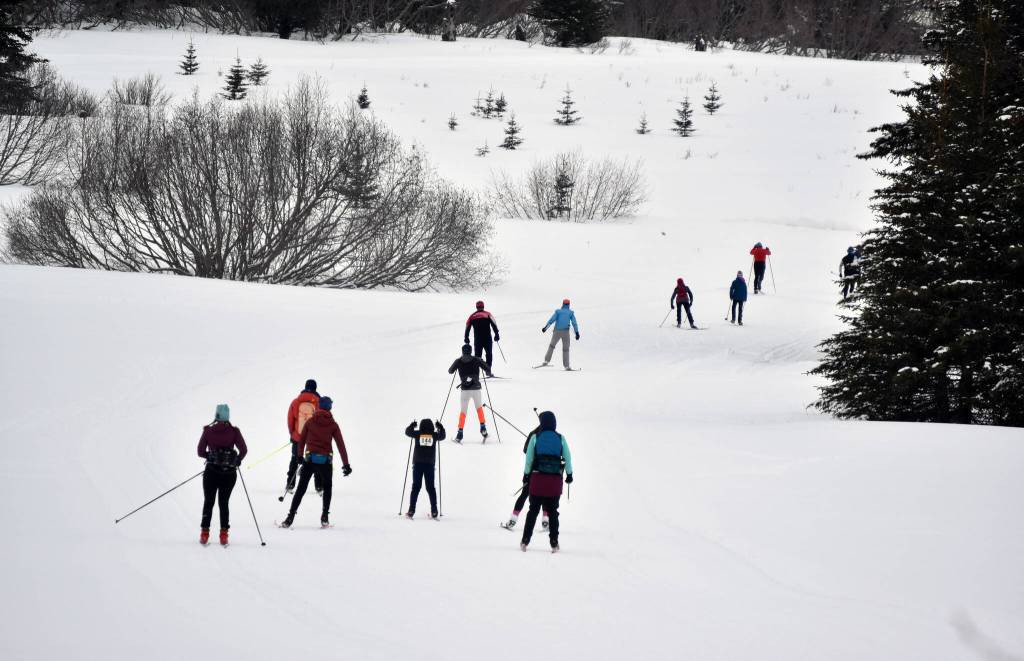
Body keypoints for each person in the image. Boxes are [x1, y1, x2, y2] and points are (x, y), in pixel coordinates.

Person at [280, 396, 351, 528]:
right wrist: (346, 464)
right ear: (329, 408)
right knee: (328, 487)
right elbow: (341, 445)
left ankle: (290, 517)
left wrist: (299, 456)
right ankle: (325, 516)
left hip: (310, 459)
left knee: (301, 489)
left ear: (318, 407)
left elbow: (301, 441)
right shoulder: (333, 425)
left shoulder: (310, 422)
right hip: (325, 462)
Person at [519, 411, 573, 553]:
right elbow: (568, 457)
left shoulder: (535, 437)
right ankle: (554, 542)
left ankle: (525, 540)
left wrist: (526, 476)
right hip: (554, 483)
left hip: (537, 481)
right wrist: (569, 474)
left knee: (533, 511)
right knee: (553, 512)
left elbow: (529, 459)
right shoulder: (561, 438)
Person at [197, 404, 248, 546]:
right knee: (223, 503)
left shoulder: (208, 431)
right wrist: (236, 460)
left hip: (211, 472)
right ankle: (224, 535)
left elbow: (200, 451)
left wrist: (211, 456)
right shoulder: (234, 431)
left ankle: (204, 533)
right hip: (229, 474)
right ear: (228, 416)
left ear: (216, 415)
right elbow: (243, 450)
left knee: (209, 502)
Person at [501, 423, 550, 531]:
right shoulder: (552, 436)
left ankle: (513, 519)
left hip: (533, 472)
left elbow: (525, 451)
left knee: (524, 494)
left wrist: (526, 475)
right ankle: (545, 520)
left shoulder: (533, 434)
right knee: (546, 495)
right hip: (548, 472)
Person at [448, 343, 492, 442]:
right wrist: (483, 366)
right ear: (471, 351)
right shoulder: (476, 359)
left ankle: (460, 434)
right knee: (479, 409)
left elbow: (450, 371)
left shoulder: (458, 361)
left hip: (465, 390)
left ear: (462, 351)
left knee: (463, 412)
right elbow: (488, 368)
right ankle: (483, 429)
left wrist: (458, 365)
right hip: (476, 389)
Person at [403, 419, 446, 519]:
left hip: (417, 464)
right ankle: (434, 511)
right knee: (431, 488)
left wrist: (412, 425)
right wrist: (440, 427)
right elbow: (443, 436)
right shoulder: (434, 435)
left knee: (416, 487)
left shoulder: (418, 434)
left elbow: (407, 432)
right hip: (429, 465)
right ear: (432, 426)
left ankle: (411, 510)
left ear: (421, 426)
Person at [285, 379, 321, 495]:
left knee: (295, 459)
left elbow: (290, 419)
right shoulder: (319, 402)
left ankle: (290, 484)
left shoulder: (296, 402)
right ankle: (319, 486)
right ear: (315, 389)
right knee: (316, 460)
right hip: (313, 438)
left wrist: (292, 434)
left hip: (298, 437)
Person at [540, 298, 580, 370]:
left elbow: (552, 320)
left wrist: (545, 327)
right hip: (566, 333)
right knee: (566, 349)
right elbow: (574, 323)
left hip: (557, 332)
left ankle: (546, 361)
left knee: (552, 346)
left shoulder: (558, 312)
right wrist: (577, 333)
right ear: (569, 305)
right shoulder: (570, 313)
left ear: (563, 304)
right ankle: (567, 366)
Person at [464, 300, 500, 371]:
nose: (480, 308)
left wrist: (466, 337)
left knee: (477, 356)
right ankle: (488, 370)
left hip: (478, 339)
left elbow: (467, 327)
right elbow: (494, 324)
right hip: (487, 338)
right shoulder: (488, 314)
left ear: (476, 307)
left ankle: (477, 372)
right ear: (483, 306)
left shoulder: (472, 316)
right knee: (488, 354)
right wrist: (496, 334)